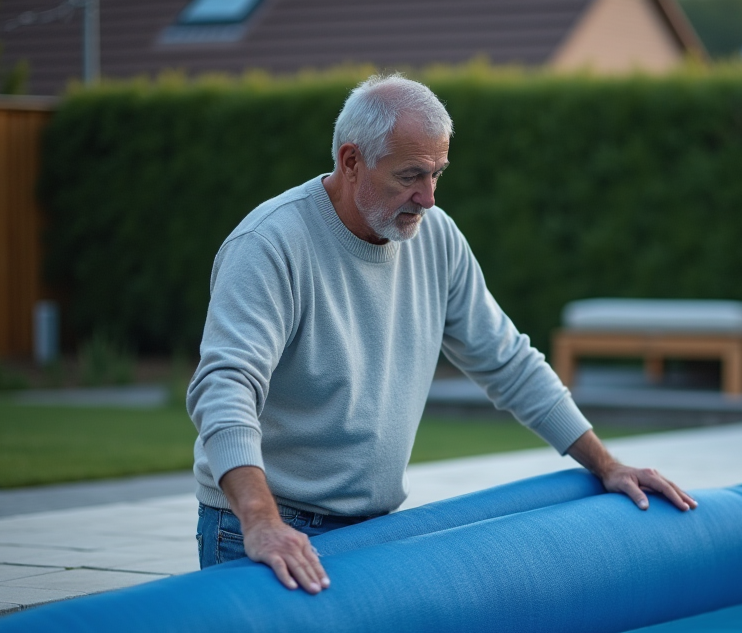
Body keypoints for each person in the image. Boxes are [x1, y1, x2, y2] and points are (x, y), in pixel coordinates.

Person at [187, 74, 697, 595]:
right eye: (410, 175)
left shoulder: (435, 238)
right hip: (262, 528)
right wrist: (261, 521)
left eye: (437, 174)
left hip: (376, 527)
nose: (428, 198)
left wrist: (607, 465)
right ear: (351, 160)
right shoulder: (270, 244)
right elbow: (225, 389)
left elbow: (508, 361)